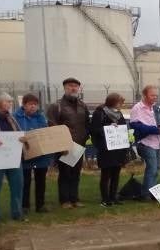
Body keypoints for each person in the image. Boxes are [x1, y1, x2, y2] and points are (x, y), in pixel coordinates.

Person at [47, 77, 91, 208]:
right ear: (65, 88)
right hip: (64, 146)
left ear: (79, 88)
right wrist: (60, 144)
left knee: (76, 173)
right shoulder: (57, 106)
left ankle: (75, 199)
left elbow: (87, 123)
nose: (73, 88)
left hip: (79, 145)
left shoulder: (83, 105)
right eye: (70, 86)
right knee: (65, 173)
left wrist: (85, 136)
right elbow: (52, 124)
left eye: (75, 86)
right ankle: (65, 200)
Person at [14, 93, 51, 213]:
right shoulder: (15, 117)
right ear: (24, 105)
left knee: (41, 181)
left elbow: (45, 132)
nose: (33, 107)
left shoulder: (41, 117)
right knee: (25, 181)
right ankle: (25, 206)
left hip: (41, 154)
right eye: (30, 104)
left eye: (35, 104)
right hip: (24, 154)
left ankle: (40, 205)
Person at [90, 93, 129, 207]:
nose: (121, 105)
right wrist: (107, 128)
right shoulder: (100, 113)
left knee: (116, 174)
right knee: (106, 174)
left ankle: (113, 196)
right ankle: (105, 198)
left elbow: (122, 128)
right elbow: (94, 129)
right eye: (119, 102)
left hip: (117, 148)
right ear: (112, 102)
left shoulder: (119, 114)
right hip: (106, 149)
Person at [130, 85, 160, 200]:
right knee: (152, 168)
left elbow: (159, 122)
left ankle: (152, 192)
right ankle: (146, 194)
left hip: (157, 142)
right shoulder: (137, 108)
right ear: (144, 95)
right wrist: (155, 130)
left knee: (157, 168)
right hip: (145, 142)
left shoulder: (155, 108)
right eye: (152, 95)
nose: (155, 97)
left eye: (156, 95)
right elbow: (134, 125)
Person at [0, 93, 25, 222]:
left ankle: (17, 212)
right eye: (7, 101)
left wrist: (21, 138)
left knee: (18, 185)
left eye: (11, 102)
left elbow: (17, 132)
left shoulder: (11, 118)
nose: (10, 104)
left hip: (13, 156)